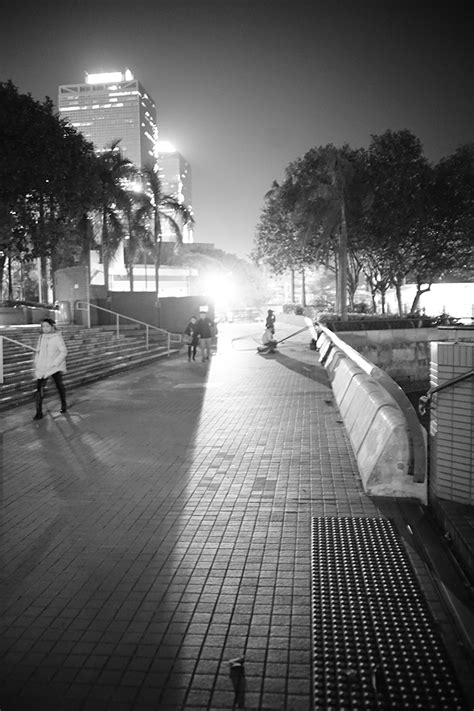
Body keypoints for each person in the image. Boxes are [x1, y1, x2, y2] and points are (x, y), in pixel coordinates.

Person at [33, 318, 67, 420]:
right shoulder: (41, 337)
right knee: (39, 389)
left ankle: (63, 404)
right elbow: (38, 351)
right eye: (43, 326)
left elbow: (64, 352)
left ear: (52, 327)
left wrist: (55, 363)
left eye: (47, 326)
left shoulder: (57, 337)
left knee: (59, 386)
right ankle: (38, 412)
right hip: (42, 367)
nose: (45, 328)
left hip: (54, 367)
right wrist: (37, 362)